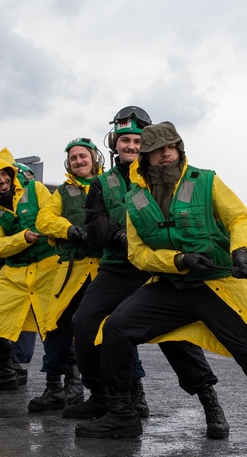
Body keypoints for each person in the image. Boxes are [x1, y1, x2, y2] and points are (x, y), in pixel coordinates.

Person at [74, 122, 247, 457]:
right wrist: (179, 260)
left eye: (173, 146)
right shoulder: (134, 196)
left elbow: (239, 219)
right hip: (172, 284)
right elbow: (138, 252)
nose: (168, 152)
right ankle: (122, 413)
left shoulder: (206, 181)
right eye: (159, 149)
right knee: (116, 328)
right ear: (146, 157)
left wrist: (241, 251)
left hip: (215, 285)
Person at [69, 108, 229, 439]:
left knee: (178, 337)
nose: (130, 146)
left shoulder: (171, 176)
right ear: (114, 145)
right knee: (85, 323)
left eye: (137, 141)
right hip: (118, 268)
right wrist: (119, 237)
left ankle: (211, 405)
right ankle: (108, 400)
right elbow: (95, 221)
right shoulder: (102, 183)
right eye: (124, 140)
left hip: (164, 268)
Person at [26, 137, 106, 411]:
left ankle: (131, 393)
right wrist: (68, 229)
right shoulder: (61, 193)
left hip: (105, 270)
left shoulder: (111, 186)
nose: (78, 161)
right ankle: (54, 389)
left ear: (94, 158)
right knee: (56, 326)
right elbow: (44, 219)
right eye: (73, 158)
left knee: (112, 329)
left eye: (82, 156)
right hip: (72, 269)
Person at [0, 148, 58, 393]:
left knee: (53, 325)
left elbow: (51, 216)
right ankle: (5, 372)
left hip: (47, 266)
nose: (2, 181)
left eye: (4, 175)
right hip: (15, 270)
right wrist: (23, 238)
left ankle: (59, 384)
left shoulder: (36, 190)